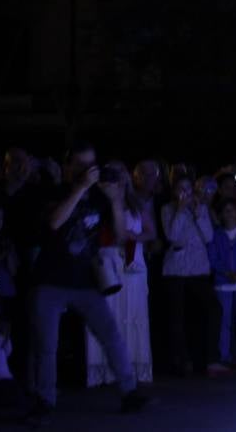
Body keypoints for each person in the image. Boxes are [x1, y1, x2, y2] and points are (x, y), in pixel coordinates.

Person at [28, 144, 148, 420]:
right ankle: (44, 399)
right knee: (47, 345)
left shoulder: (99, 197)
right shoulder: (54, 192)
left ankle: (129, 392)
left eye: (90, 165)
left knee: (111, 335)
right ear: (68, 166)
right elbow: (54, 223)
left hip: (86, 282)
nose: (86, 171)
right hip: (50, 280)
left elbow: (119, 237)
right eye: (80, 165)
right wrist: (80, 187)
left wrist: (116, 200)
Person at [87, 161, 153, 387]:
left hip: (133, 263)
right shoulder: (98, 204)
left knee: (132, 313)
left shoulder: (136, 204)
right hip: (108, 260)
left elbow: (150, 232)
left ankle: (133, 368)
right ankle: (104, 370)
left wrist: (133, 237)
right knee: (110, 313)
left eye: (122, 172)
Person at [161, 171, 220, 376]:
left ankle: (209, 358)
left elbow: (208, 237)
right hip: (176, 270)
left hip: (199, 269)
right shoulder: (167, 209)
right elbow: (173, 236)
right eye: (180, 189)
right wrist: (179, 210)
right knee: (177, 316)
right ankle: (181, 360)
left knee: (210, 310)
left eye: (188, 189)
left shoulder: (201, 208)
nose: (184, 193)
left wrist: (198, 213)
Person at [207, 199, 236, 369]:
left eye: (232, 210)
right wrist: (225, 273)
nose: (229, 214)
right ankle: (224, 356)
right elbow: (213, 258)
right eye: (226, 211)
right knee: (224, 320)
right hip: (222, 283)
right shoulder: (216, 235)